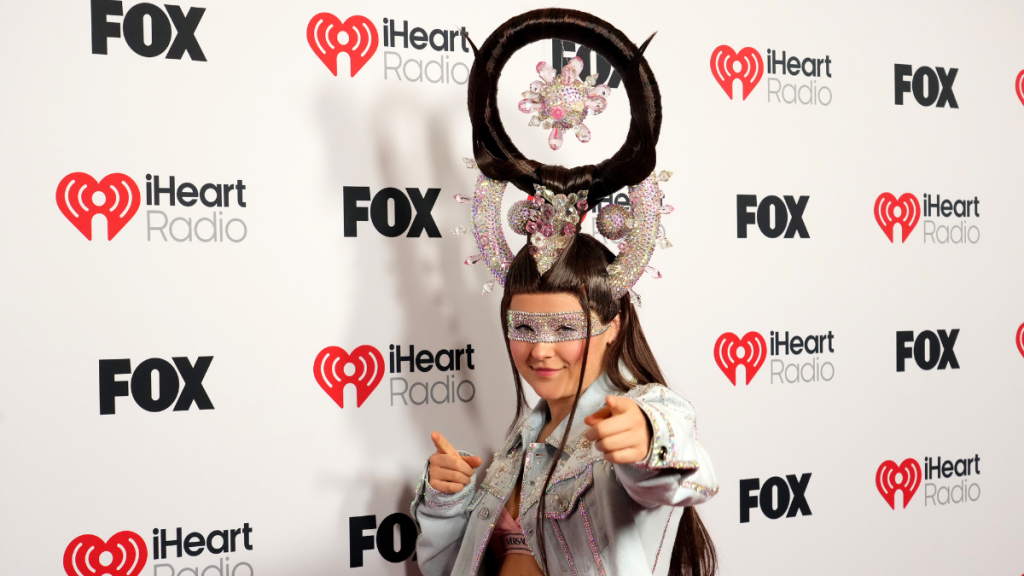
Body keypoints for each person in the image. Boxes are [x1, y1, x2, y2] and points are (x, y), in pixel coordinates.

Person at [411, 8, 719, 576]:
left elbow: (687, 470)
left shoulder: (637, 414)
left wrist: (646, 440)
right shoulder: (514, 449)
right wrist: (447, 500)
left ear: (612, 327)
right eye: (524, 328)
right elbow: (440, 569)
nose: (541, 349)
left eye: (565, 329)